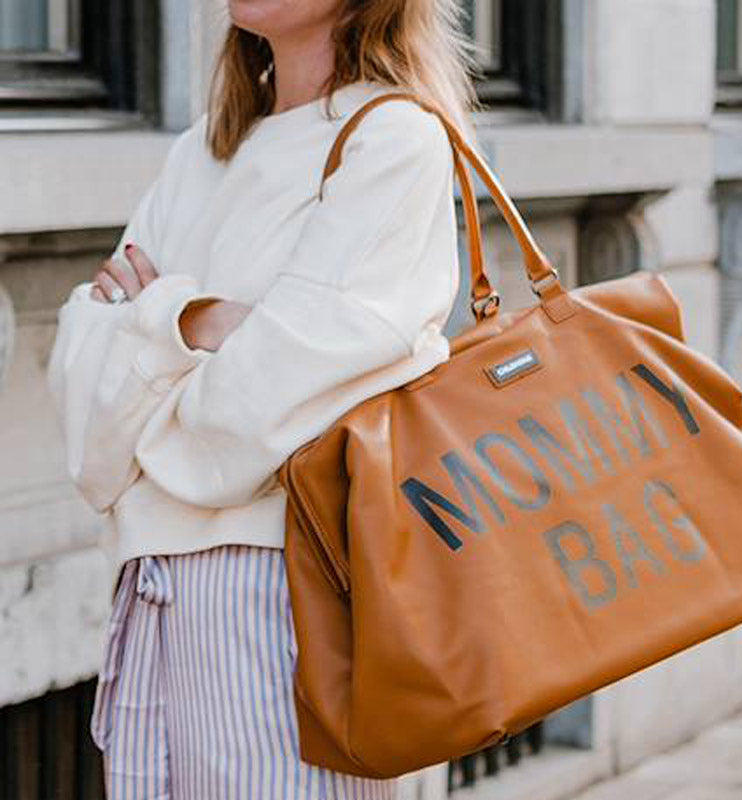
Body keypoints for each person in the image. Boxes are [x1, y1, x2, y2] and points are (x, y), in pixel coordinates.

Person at [46, 0, 481, 797]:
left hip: (285, 585)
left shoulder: (392, 139)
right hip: (152, 588)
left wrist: (144, 338)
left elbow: (254, 414)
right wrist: (196, 322)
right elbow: (81, 404)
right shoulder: (203, 150)